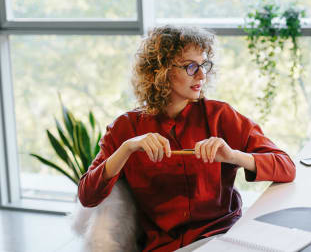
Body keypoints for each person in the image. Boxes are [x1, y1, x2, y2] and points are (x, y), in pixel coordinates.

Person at [78, 25, 296, 251]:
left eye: (204, 65)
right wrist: (126, 149)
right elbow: (87, 195)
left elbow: (286, 167)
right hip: (166, 247)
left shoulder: (220, 116)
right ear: (159, 71)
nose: (202, 75)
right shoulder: (126, 128)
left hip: (224, 239)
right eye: (190, 66)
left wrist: (233, 156)